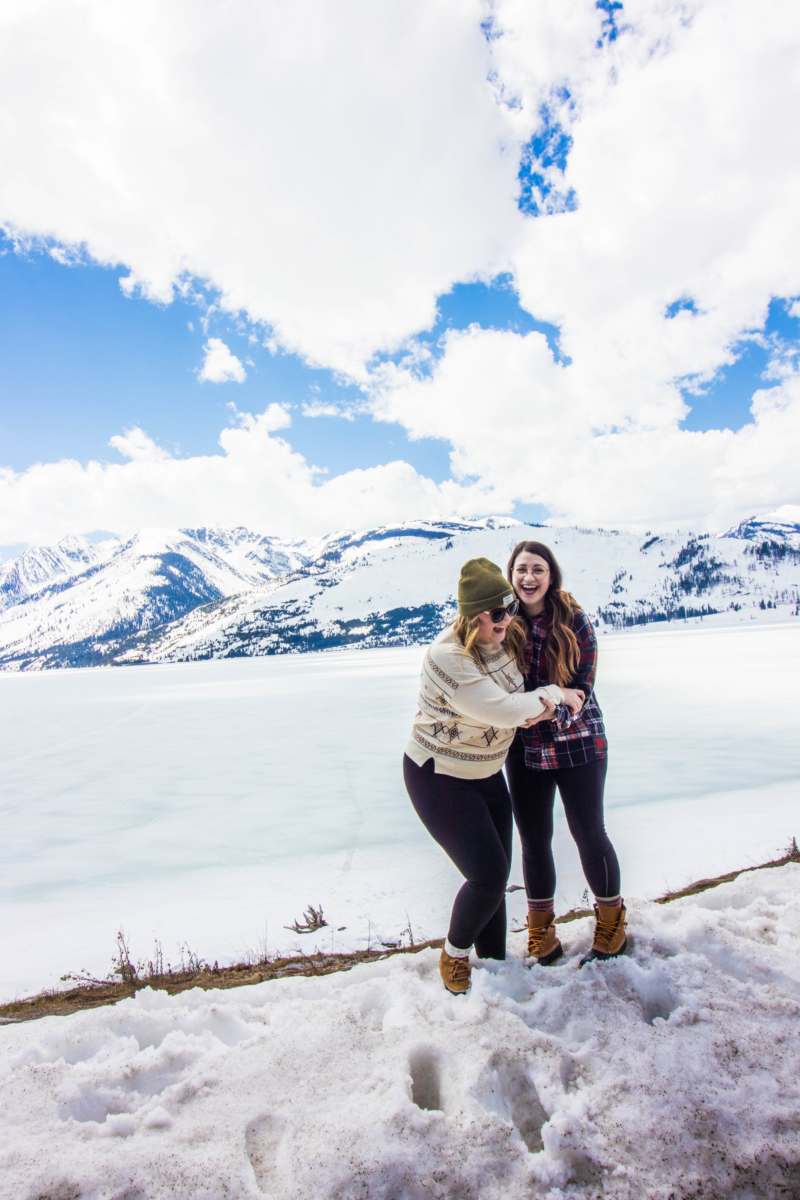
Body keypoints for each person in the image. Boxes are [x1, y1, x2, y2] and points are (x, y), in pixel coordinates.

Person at [402, 557, 580, 995]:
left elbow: (517, 700)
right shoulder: (449, 657)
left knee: (496, 880)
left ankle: (496, 967)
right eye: (498, 613)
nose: (507, 620)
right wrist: (553, 696)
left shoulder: (500, 638)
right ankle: (454, 957)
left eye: (509, 610)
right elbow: (503, 709)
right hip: (438, 775)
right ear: (472, 614)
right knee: (487, 875)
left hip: (486, 772)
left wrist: (532, 707)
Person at [505, 541, 627, 968]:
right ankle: (541, 933)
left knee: (588, 833)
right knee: (534, 841)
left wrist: (536, 709)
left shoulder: (575, 620)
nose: (529, 578)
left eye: (537, 569)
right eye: (521, 569)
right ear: (512, 575)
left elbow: (579, 694)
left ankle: (612, 921)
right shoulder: (506, 624)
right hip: (524, 749)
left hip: (579, 742)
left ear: (550, 575)